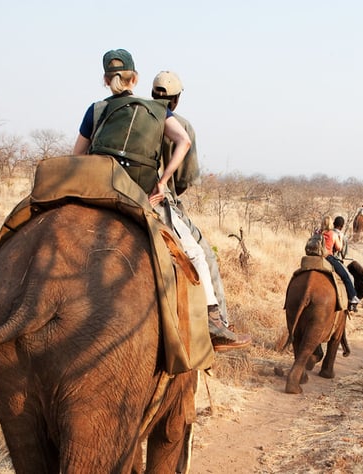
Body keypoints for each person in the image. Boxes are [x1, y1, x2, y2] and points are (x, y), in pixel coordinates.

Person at [72, 49, 248, 352]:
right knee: (196, 254)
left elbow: (76, 157)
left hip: (100, 188)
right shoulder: (155, 112)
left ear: (105, 80)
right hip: (144, 197)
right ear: (135, 78)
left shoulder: (95, 110)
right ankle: (214, 321)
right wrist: (164, 181)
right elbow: (185, 147)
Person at [151, 69, 251, 350]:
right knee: (203, 255)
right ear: (176, 99)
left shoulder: (129, 114)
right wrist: (165, 186)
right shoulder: (179, 124)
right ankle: (217, 324)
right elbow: (183, 179)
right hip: (158, 196)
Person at [320, 216, 359, 311]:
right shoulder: (333, 234)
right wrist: (341, 238)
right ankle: (352, 298)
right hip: (328, 257)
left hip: (316, 257)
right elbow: (340, 248)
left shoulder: (317, 232)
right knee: (347, 276)